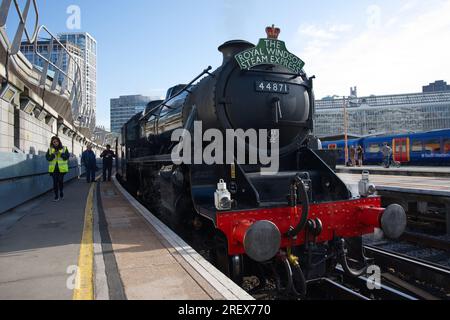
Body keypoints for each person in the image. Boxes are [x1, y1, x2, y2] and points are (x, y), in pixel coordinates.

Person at [46, 136, 70, 202]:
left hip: (61, 169)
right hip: (53, 169)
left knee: (60, 181)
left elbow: (67, 157)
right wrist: (53, 155)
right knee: (55, 183)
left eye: (56, 141)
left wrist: (61, 154)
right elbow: (48, 158)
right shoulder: (50, 149)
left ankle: (61, 191)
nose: (55, 143)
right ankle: (56, 196)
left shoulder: (64, 148)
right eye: (54, 142)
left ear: (59, 142)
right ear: (52, 143)